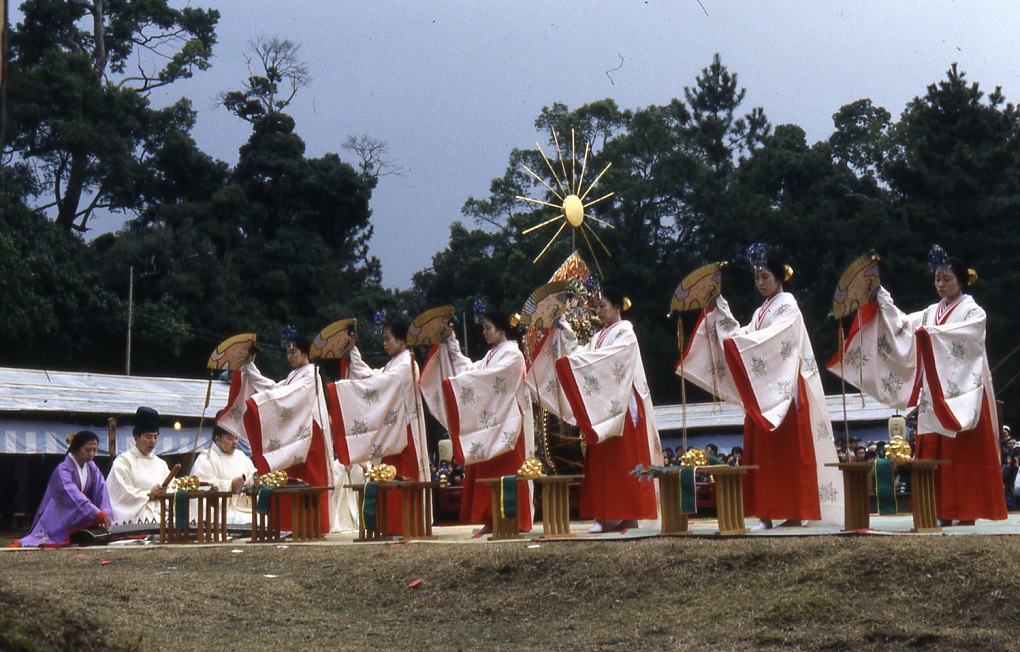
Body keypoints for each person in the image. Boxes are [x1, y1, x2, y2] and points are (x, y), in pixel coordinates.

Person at [828, 246, 1006, 525]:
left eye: (947, 279)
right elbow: (901, 326)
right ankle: (939, 510)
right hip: (934, 393)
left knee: (963, 452)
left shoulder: (974, 312)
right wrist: (882, 297)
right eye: (937, 279)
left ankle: (966, 511)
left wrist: (929, 335)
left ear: (961, 281)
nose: (941, 284)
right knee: (935, 451)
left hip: (964, 392)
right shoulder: (930, 312)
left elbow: (967, 340)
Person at [680, 250, 843, 530]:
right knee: (762, 455)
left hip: (786, 388)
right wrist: (722, 313)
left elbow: (775, 340)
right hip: (764, 389)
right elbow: (746, 335)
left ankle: (794, 512)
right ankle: (765, 513)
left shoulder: (789, 306)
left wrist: (739, 342)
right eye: (757, 277)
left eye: (765, 276)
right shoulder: (760, 311)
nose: (761, 282)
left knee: (791, 455)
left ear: (779, 277)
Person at [528, 287, 663, 533]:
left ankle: (630, 516)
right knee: (602, 462)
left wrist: (581, 363)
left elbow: (609, 361)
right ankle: (603, 514)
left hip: (623, 405)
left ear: (617, 307)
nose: (598, 311)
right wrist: (564, 330)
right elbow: (583, 355)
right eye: (596, 306)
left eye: (603, 305)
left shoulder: (626, 333)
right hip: (603, 406)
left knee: (625, 460)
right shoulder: (600, 336)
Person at [217, 329, 343, 532]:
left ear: (304, 353)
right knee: (289, 478)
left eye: (294, 352)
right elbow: (275, 388)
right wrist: (250, 367)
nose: (290, 356)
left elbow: (288, 394)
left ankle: (313, 524)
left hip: (310, 435)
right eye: (287, 353)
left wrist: (263, 401)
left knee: (308, 479)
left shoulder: (312, 374)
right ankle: (289, 524)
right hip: (295, 434)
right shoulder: (294, 375)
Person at [421, 311, 535, 534]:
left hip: (508, 423)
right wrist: (451, 343)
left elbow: (490, 380)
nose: (484, 332)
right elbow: (471, 369)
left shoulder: (513, 354)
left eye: (488, 327)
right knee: (488, 471)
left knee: (507, 470)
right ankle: (491, 518)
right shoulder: (492, 354)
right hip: (492, 423)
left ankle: (513, 519)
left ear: (501, 329)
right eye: (483, 328)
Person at [325, 321, 430, 535]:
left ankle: (406, 524)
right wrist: (353, 352)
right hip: (393, 430)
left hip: (405, 430)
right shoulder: (394, 363)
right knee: (386, 475)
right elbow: (372, 375)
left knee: (400, 475)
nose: (384, 343)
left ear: (401, 340)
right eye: (384, 339)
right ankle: (390, 524)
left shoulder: (407, 362)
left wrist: (354, 352)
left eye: (388, 339)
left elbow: (378, 382)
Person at [14, 431, 113, 548]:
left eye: (94, 450)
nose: (91, 454)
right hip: (60, 515)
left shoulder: (92, 467)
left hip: (82, 511)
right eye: (87, 450)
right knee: (51, 538)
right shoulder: (63, 470)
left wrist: (105, 513)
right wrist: (95, 512)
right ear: (76, 449)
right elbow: (71, 494)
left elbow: (102, 491)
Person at [107, 407, 171, 523]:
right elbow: (120, 494)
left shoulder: (161, 464)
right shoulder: (123, 462)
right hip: (136, 519)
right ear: (136, 438)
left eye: (155, 437)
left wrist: (165, 492)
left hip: (161, 517)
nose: (152, 441)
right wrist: (148, 494)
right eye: (148, 437)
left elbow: (173, 488)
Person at [191, 412, 257, 525]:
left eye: (236, 438)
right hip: (222, 513)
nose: (235, 442)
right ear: (217, 439)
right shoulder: (205, 459)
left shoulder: (242, 457)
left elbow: (251, 477)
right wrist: (230, 485)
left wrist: (255, 480)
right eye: (230, 439)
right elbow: (203, 487)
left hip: (244, 508)